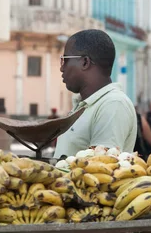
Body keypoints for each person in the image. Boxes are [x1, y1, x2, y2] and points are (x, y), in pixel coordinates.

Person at [54, 29, 137, 158]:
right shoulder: (84, 104)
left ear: (85, 62)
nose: (62, 68)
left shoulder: (113, 104)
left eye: (65, 60)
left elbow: (101, 168)